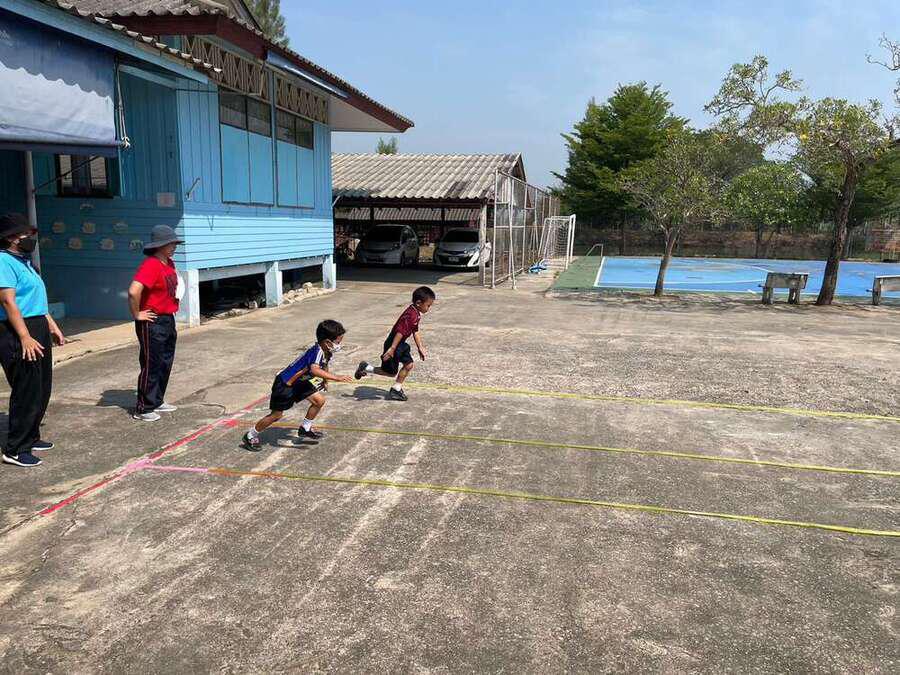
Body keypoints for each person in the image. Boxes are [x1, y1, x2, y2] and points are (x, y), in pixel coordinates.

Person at [0, 214, 66, 467]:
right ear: (11, 238)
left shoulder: (26, 262)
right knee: (26, 387)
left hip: (36, 324)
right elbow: (8, 302)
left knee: (41, 385)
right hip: (16, 329)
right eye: (24, 234)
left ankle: (31, 436)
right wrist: (25, 336)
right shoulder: (4, 261)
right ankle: (16, 448)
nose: (29, 238)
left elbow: (37, 301)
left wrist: (52, 326)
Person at [243, 319, 353, 450]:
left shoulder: (327, 351)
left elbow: (324, 364)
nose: (339, 345)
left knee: (319, 401)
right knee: (276, 415)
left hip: (300, 382)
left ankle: (305, 428)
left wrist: (325, 381)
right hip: (285, 384)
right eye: (338, 342)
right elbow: (315, 370)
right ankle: (250, 435)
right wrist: (337, 378)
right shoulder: (317, 351)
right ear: (328, 342)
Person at [128, 225, 184, 422]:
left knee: (165, 361)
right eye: (171, 243)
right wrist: (137, 314)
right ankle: (143, 407)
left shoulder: (169, 263)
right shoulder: (151, 264)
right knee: (151, 363)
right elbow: (133, 291)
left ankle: (157, 400)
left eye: (175, 243)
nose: (174, 246)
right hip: (152, 320)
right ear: (160, 245)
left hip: (167, 318)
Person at [354, 285, 435, 401]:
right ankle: (366, 368)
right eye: (428, 305)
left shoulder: (416, 313)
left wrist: (420, 347)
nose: (428, 308)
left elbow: (415, 330)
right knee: (390, 373)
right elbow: (400, 332)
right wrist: (392, 349)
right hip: (393, 344)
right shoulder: (410, 315)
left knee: (409, 365)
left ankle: (396, 388)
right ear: (418, 303)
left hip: (400, 345)